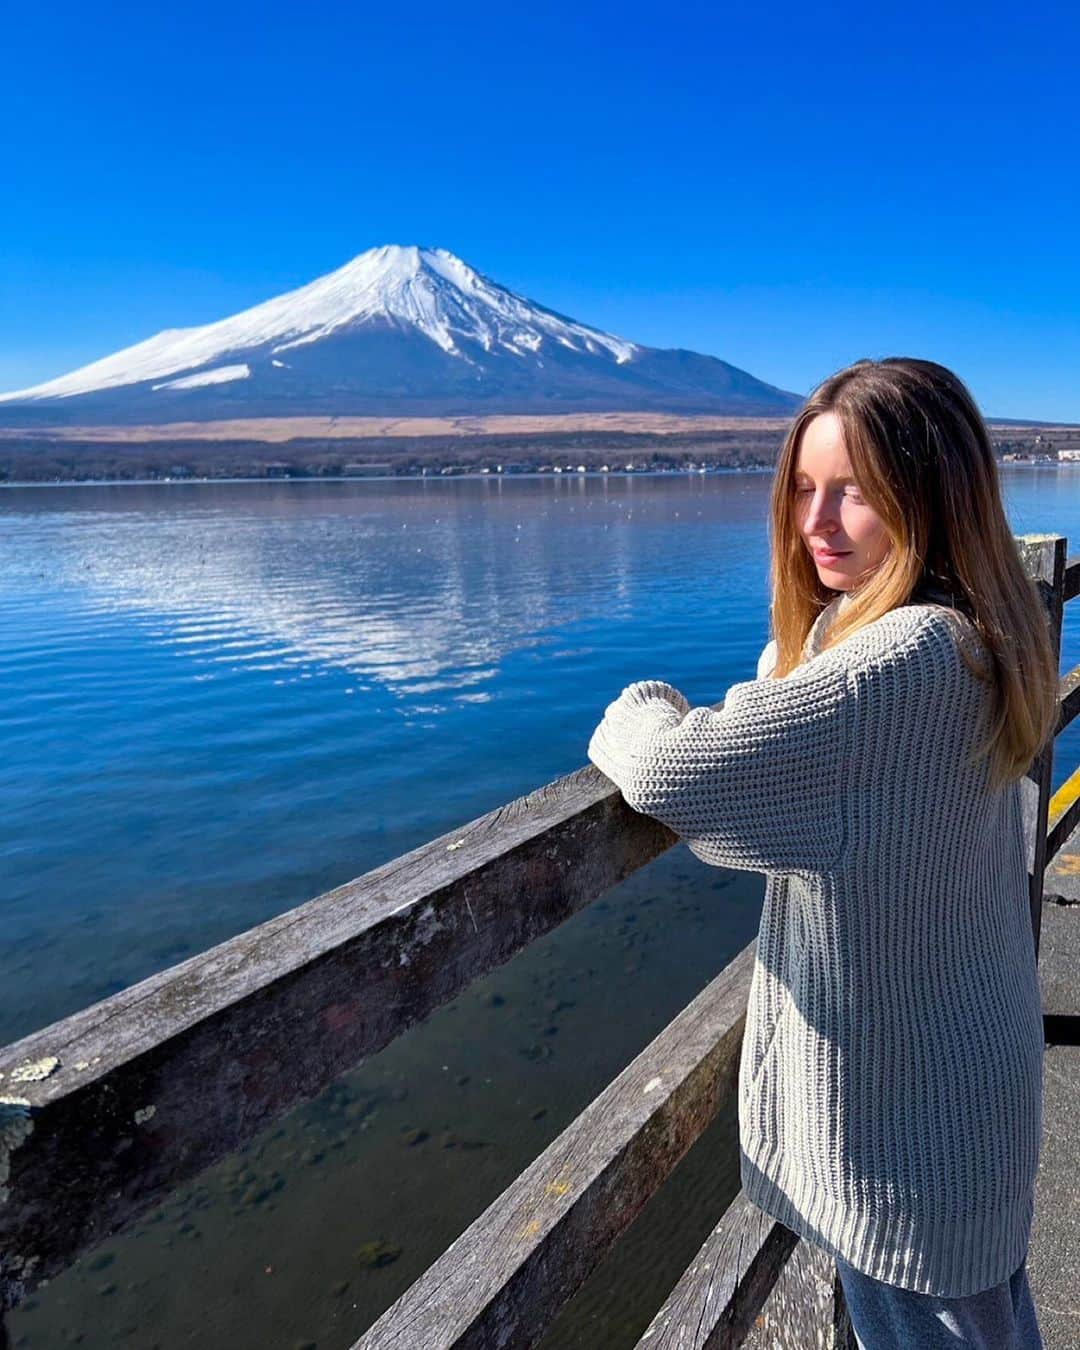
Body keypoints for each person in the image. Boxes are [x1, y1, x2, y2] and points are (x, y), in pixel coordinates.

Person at [586, 357, 1057, 1349]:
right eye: (804, 487)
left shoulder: (895, 669)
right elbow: (807, 709)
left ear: (929, 495)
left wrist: (642, 708)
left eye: (854, 491)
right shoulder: (971, 631)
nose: (817, 520)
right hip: (957, 1101)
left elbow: (679, 775)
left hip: (904, 1137)